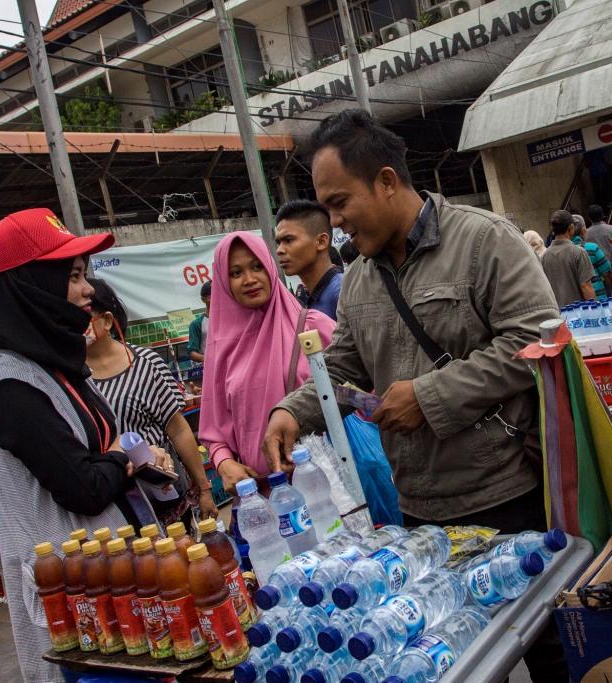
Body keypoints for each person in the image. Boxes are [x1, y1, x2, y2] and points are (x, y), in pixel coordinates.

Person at [262, 109, 564, 681]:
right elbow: (341, 362)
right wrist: (292, 411)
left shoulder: (482, 241)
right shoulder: (359, 278)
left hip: (504, 495)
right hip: (419, 517)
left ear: (385, 180)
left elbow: (537, 340)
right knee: (451, 655)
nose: (336, 221)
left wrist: (429, 395)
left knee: (542, 648)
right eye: (326, 207)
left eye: (340, 202)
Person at [0, 208, 172, 682]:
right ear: (29, 286)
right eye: (72, 276)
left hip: (105, 580)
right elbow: (84, 487)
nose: (88, 289)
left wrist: (126, 460)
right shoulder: (8, 383)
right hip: (72, 601)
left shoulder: (49, 363)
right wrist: (122, 459)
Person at [200, 231, 335, 495]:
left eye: (257, 266)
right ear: (224, 283)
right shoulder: (220, 349)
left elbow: (360, 389)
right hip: (266, 496)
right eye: (236, 273)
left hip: (329, 483)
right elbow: (214, 429)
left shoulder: (312, 327)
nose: (249, 280)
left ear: (270, 266)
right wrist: (224, 462)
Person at [86, 278, 218, 523]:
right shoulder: (72, 379)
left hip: (163, 496)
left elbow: (178, 429)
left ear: (106, 320)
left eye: (82, 317)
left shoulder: (145, 363)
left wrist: (204, 489)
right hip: (113, 510)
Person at [275, 199, 344, 321]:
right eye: (278, 242)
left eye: (289, 240)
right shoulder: (308, 297)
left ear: (321, 242)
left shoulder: (342, 294)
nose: (279, 250)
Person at [541, 209, 597, 306]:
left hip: (558, 315)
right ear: (571, 228)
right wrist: (596, 311)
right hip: (579, 313)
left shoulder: (544, 256)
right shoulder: (578, 252)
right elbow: (586, 286)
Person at [571, 214, 612, 299]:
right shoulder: (592, 248)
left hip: (574, 304)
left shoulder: (564, 252)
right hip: (598, 300)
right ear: (583, 231)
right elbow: (607, 274)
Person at [187, 280, 211, 363]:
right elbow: (192, 352)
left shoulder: (228, 319)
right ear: (203, 299)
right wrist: (209, 360)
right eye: (210, 297)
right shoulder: (196, 324)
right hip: (211, 368)